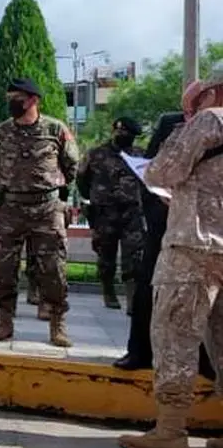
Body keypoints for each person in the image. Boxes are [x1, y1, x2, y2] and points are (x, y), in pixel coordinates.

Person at [118, 70, 223, 448]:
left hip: (193, 246)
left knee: (176, 332)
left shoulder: (212, 119)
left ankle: (170, 430)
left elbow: (162, 171)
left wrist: (193, 119)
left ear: (211, 92)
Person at [114, 112, 216, 377]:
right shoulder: (170, 123)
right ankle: (139, 351)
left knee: (208, 300)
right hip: (166, 220)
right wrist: (157, 202)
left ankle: (206, 362)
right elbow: (150, 170)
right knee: (149, 284)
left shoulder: (214, 123)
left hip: (210, 225)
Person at [0, 78, 78, 347]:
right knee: (5, 267)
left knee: (53, 268)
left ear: (33, 100)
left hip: (46, 209)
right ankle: (5, 321)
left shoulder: (55, 129)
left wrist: (60, 197)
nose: (13, 103)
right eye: (10, 97)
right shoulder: (1, 132)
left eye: (19, 98)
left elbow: (72, 165)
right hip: (11, 208)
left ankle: (57, 324)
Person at [76, 116, 146, 310]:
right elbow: (82, 179)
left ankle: (132, 298)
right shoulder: (96, 154)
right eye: (121, 132)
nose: (124, 136)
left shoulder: (140, 154)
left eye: (129, 134)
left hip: (132, 211)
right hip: (104, 211)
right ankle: (108, 292)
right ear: (114, 131)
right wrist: (94, 197)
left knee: (134, 256)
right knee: (105, 254)